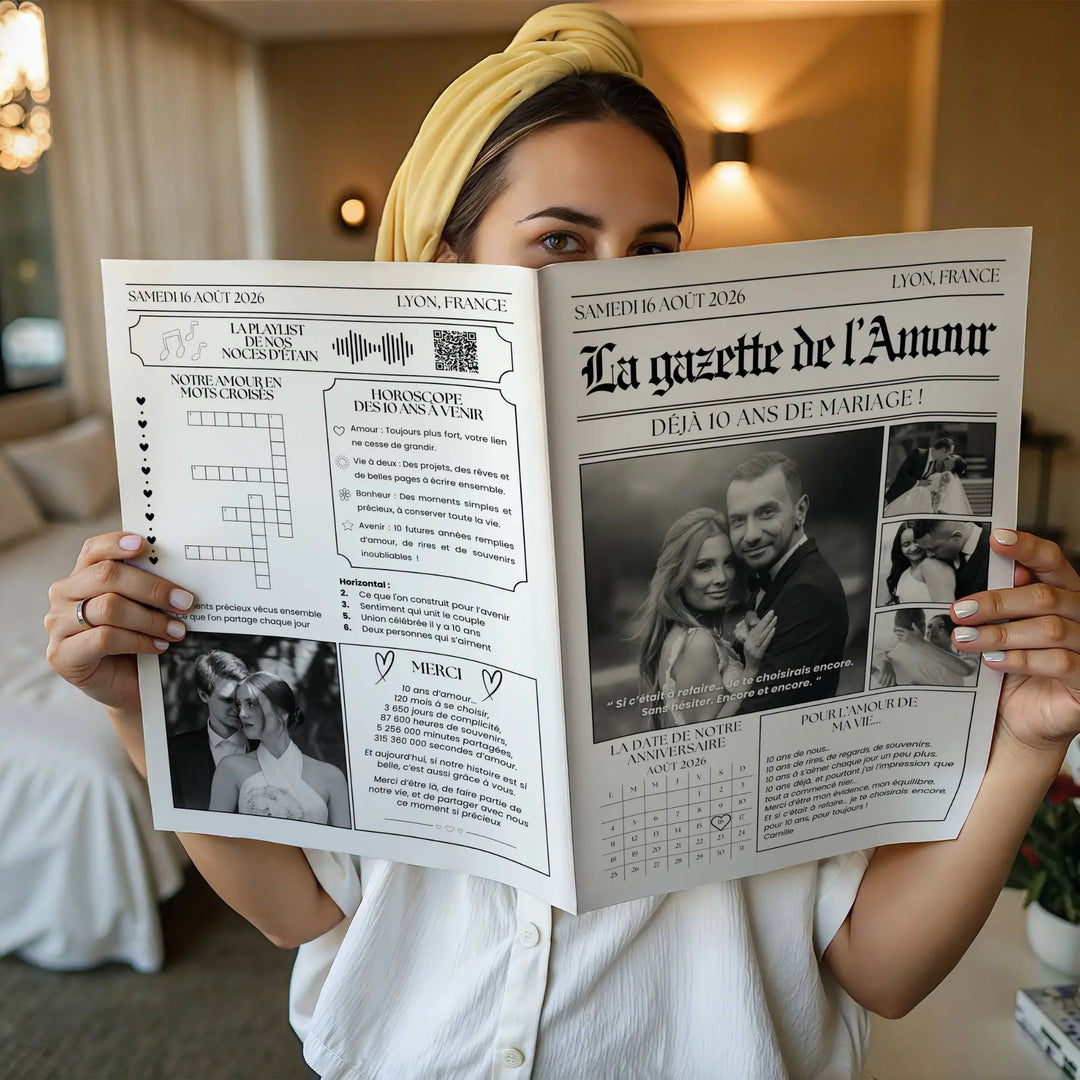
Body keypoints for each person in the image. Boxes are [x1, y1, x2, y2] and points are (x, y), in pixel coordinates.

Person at [40, 6, 1080, 1078]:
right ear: (451, 267)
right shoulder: (340, 538)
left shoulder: (768, 604)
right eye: (560, 242)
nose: (608, 283)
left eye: (652, 248)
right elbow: (298, 908)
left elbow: (881, 970)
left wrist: (1030, 744)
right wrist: (136, 708)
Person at [725, 450, 849, 712]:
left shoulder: (809, 593)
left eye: (766, 513)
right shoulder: (775, 574)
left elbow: (754, 712)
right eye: (738, 520)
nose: (750, 535)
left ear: (800, 509)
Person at [633, 507, 777, 728]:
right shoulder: (696, 643)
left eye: (728, 562)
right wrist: (751, 670)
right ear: (677, 574)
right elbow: (711, 738)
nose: (722, 578)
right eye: (704, 566)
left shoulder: (687, 634)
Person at [209, 672, 351, 828]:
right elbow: (215, 837)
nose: (242, 714)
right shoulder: (231, 768)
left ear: (282, 712)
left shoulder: (331, 776)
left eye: (251, 704)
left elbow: (345, 850)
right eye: (239, 705)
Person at [168, 649, 251, 810]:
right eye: (227, 700)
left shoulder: (269, 749)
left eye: (242, 699)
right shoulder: (174, 752)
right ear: (203, 695)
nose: (238, 709)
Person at [872, 609, 974, 688]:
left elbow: (967, 670)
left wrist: (920, 642)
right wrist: (884, 660)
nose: (932, 630)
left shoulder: (966, 657)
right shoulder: (917, 650)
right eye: (930, 626)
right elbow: (882, 652)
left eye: (941, 626)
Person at [913, 518, 992, 599]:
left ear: (957, 537)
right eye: (925, 550)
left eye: (933, 549)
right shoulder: (943, 543)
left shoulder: (994, 551)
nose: (929, 555)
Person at [884, 445, 972, 518]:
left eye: (952, 457)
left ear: (954, 464)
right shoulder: (939, 470)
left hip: (919, 501)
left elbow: (940, 493)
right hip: (916, 499)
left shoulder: (946, 476)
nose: (949, 456)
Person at [884, 520, 957, 605]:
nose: (913, 548)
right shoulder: (905, 572)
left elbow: (946, 608)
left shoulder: (931, 565)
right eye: (906, 544)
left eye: (916, 541)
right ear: (900, 548)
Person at [883, 435, 954, 506]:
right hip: (897, 497)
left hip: (913, 502)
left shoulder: (937, 464)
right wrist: (918, 483)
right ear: (943, 451)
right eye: (949, 454)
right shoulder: (918, 453)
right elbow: (901, 474)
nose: (948, 457)